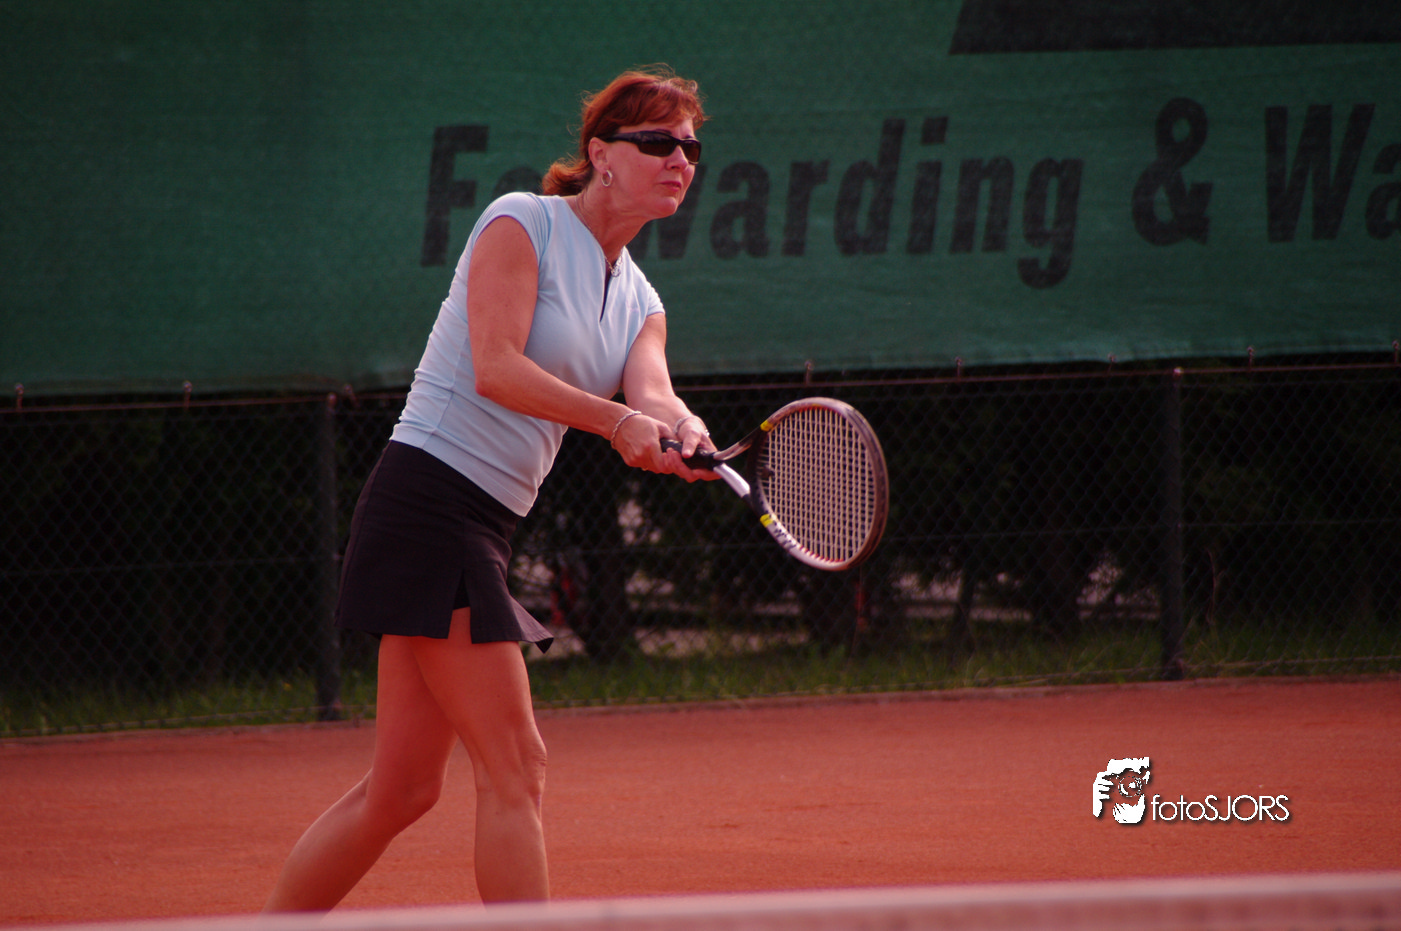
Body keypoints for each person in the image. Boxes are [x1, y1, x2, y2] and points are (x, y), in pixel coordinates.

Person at [262, 66, 714, 911]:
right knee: (517, 766)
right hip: (430, 498)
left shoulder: (641, 299)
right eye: (657, 141)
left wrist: (681, 428)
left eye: (690, 146)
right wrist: (614, 423)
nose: (679, 159)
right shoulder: (521, 222)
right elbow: (495, 365)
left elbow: (652, 392)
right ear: (601, 154)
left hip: (483, 520)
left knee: (401, 791)